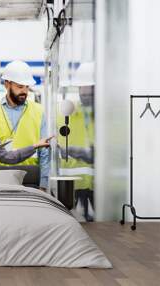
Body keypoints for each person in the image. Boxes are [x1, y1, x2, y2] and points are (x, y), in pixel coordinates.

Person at [0, 61, 50, 190]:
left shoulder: (38, 111)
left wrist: (44, 184)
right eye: (20, 86)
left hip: (30, 179)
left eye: (27, 87)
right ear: (7, 84)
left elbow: (44, 152)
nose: (25, 91)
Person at [58, 62, 95, 221]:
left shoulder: (108, 115)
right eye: (81, 88)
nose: (84, 92)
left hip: (100, 187)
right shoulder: (66, 114)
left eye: (88, 87)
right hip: (74, 185)